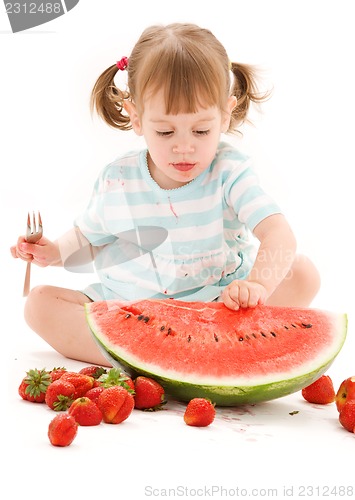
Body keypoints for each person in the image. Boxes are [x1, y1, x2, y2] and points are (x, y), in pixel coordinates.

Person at [10, 23, 320, 365]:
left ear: (226, 114)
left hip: (216, 307)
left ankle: (178, 355)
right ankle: (145, 357)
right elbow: (90, 236)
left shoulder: (229, 172)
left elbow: (278, 233)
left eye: (202, 130)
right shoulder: (120, 178)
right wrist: (52, 252)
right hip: (128, 308)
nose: (184, 147)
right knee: (39, 304)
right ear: (137, 117)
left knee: (303, 272)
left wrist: (257, 285)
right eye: (165, 131)